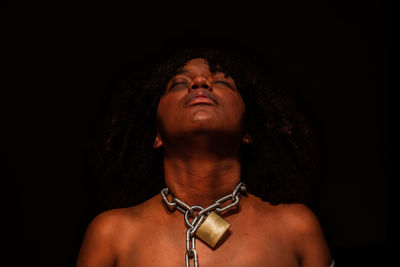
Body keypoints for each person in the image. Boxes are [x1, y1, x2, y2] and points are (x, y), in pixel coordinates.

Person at [76, 47, 334, 266]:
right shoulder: (112, 234)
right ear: (157, 136)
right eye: (178, 83)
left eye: (222, 82)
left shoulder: (296, 229)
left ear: (247, 132)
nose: (200, 83)